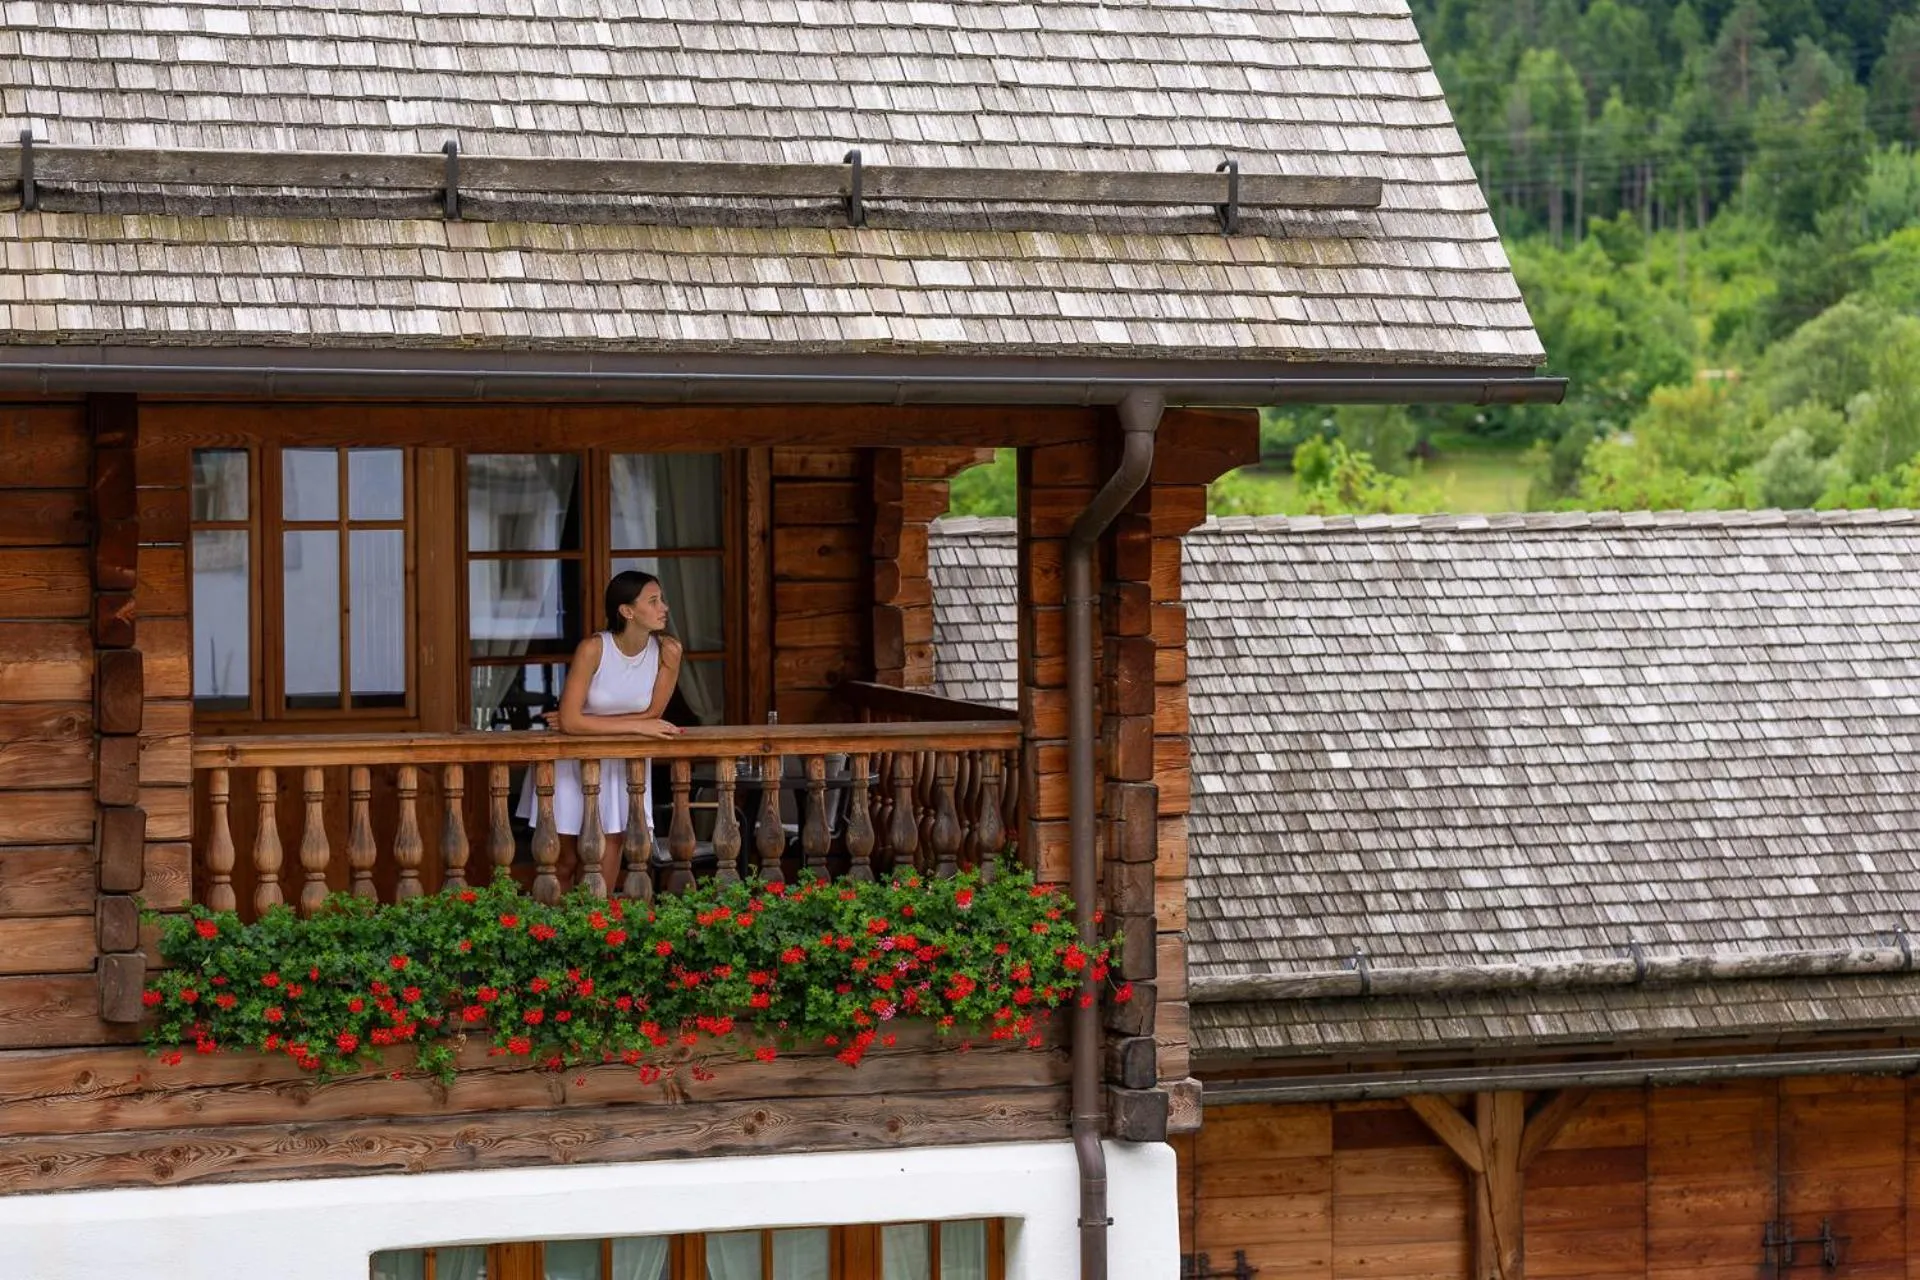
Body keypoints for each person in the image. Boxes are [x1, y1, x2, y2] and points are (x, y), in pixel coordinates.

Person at [517, 570, 683, 891]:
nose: (664, 607)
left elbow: (652, 714)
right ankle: (554, 935)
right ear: (627, 611)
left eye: (661, 599)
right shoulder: (593, 649)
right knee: (564, 862)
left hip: (623, 764)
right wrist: (633, 725)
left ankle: (596, 932)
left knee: (609, 857)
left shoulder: (668, 652)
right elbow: (573, 722)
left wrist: (584, 721)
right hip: (572, 761)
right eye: (653, 601)